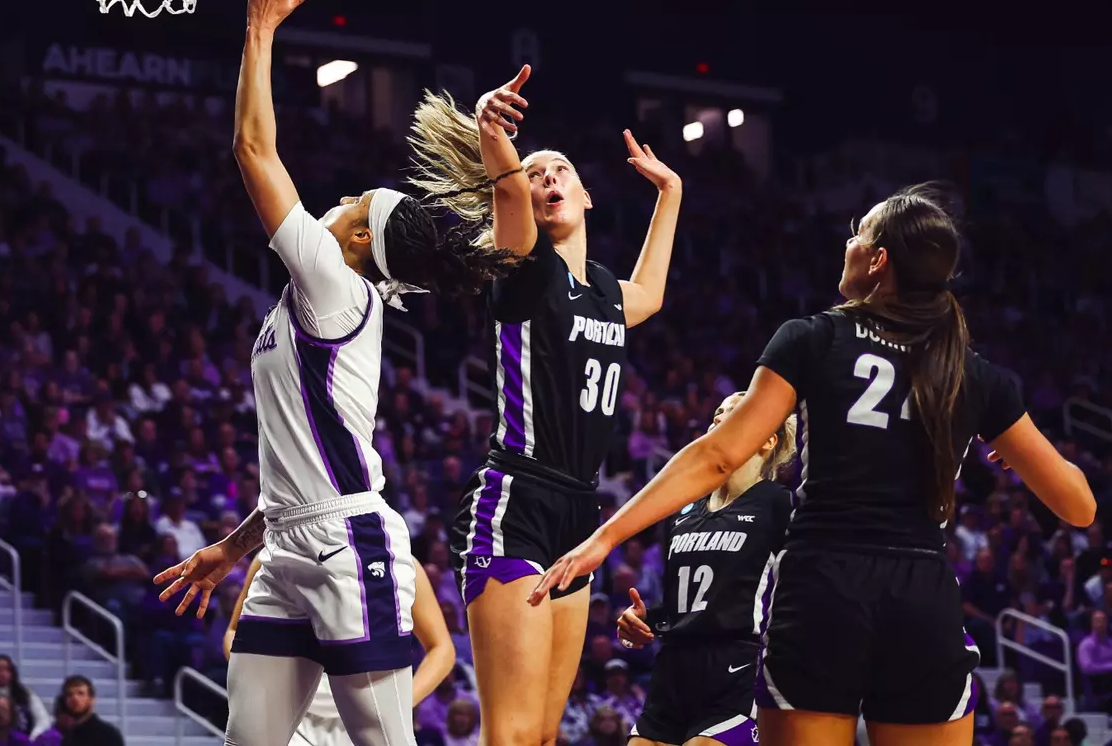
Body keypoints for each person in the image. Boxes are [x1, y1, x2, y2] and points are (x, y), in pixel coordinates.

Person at [533, 185, 1098, 746]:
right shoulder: (973, 374)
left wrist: (604, 538)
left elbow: (718, 454)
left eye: (859, 233)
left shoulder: (814, 337)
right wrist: (1012, 450)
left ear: (878, 260)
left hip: (823, 588)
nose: (848, 242)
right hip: (921, 595)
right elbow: (1078, 507)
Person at [157, 0, 517, 746]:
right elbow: (298, 469)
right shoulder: (320, 296)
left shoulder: (334, 283)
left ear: (356, 238)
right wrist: (230, 547)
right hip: (287, 546)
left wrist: (259, 33)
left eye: (353, 200)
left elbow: (253, 150)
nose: (339, 199)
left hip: (351, 546)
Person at [406, 65, 682, 746]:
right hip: (517, 502)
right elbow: (503, 184)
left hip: (577, 513)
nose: (547, 177)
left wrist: (671, 191)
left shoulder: (607, 296)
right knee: (514, 734)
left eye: (559, 170)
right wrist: (490, 129)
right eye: (536, 174)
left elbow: (651, 291)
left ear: (587, 196)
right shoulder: (523, 264)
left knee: (546, 736)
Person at [614, 393, 796, 746]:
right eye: (717, 413)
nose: (718, 419)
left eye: (734, 412)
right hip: (673, 669)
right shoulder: (683, 511)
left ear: (767, 440)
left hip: (738, 666)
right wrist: (644, 621)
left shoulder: (779, 504)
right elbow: (692, 605)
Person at [224, 551, 457, 746]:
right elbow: (235, 633)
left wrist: (402, 701)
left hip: (370, 710)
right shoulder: (273, 554)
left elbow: (442, 649)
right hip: (294, 711)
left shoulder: (398, 559)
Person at [53, 678, 121, 746]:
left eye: (80, 693)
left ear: (91, 700)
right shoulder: (59, 735)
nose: (75, 698)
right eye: (69, 694)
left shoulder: (107, 734)